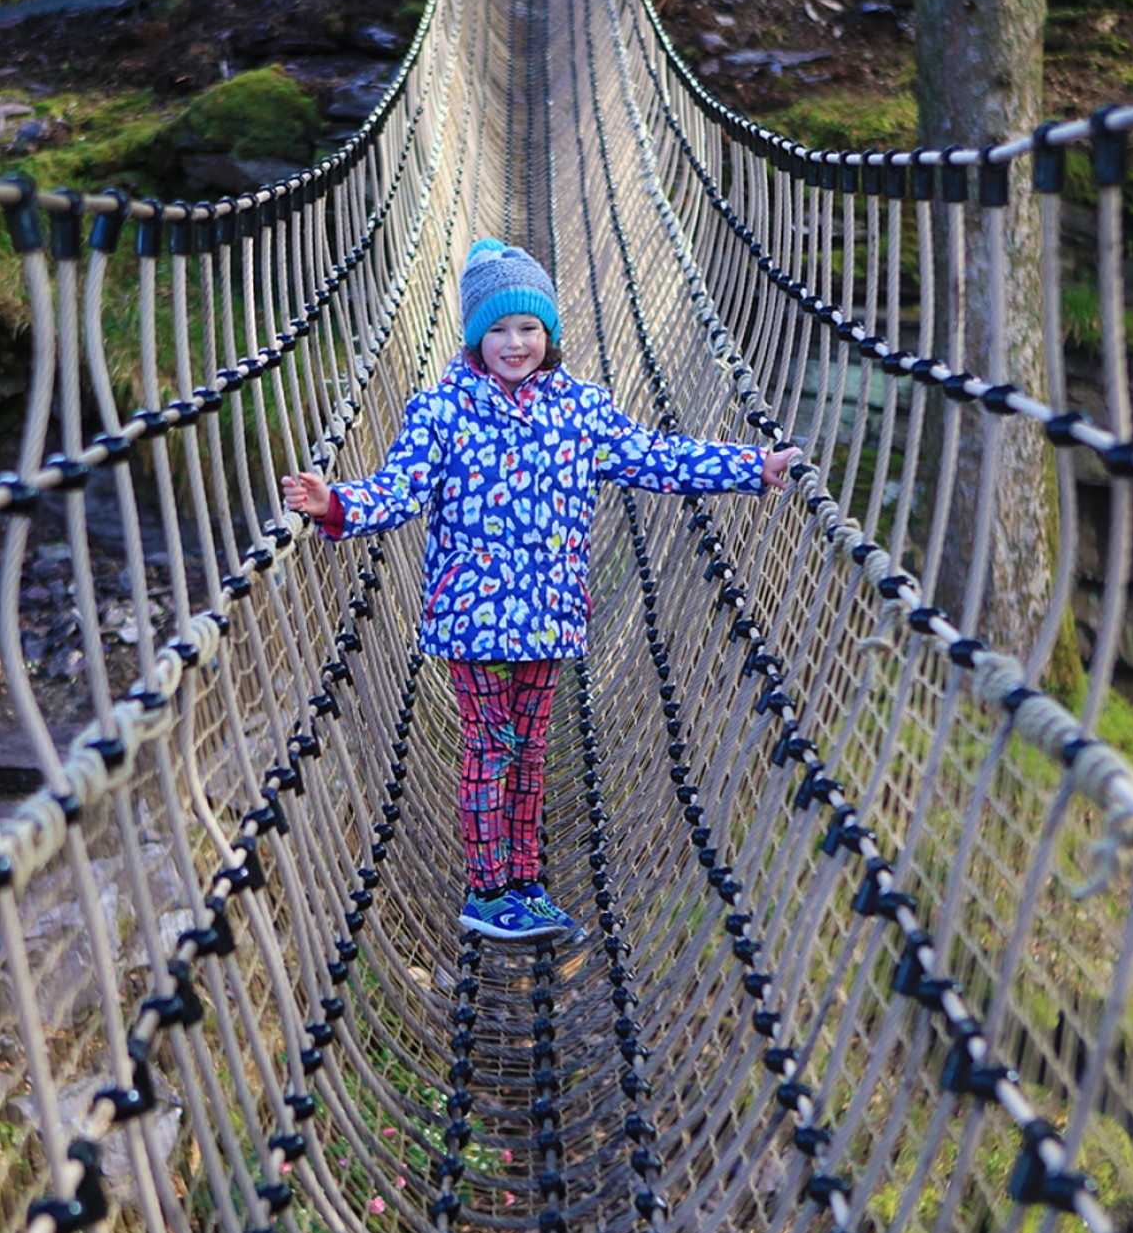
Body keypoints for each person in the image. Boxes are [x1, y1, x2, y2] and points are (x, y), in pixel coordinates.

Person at [282, 239, 797, 943]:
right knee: (491, 748)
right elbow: (398, 490)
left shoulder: (583, 411)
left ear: (549, 332)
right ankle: (487, 888)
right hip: (473, 622)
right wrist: (336, 503)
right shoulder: (440, 412)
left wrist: (749, 466)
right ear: (473, 337)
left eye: (527, 327)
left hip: (549, 620)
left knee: (529, 755)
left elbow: (656, 457)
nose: (513, 343)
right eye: (495, 329)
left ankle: (523, 880)